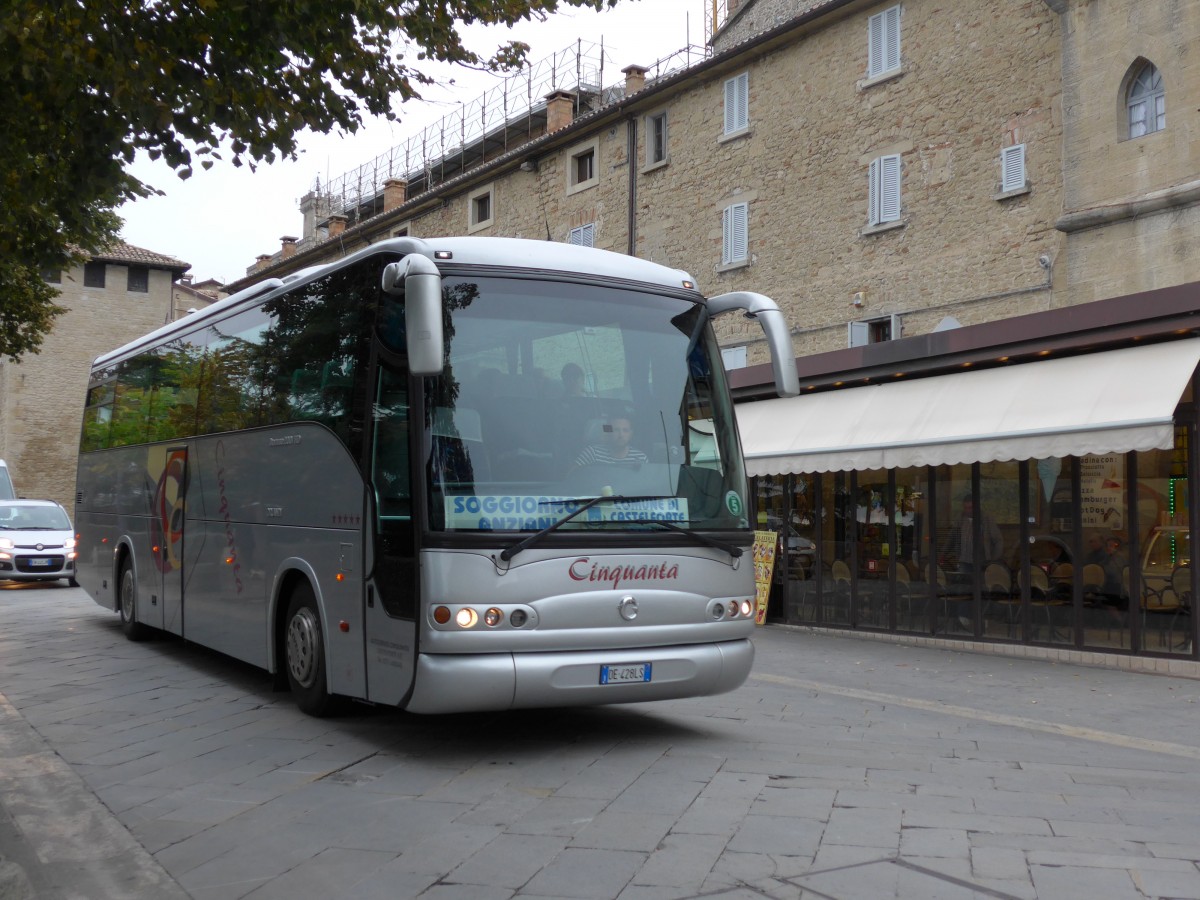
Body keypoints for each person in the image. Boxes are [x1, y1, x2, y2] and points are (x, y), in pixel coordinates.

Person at [573, 416, 647, 468]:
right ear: (608, 432)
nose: (621, 435)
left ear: (631, 434)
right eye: (616, 430)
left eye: (625, 430)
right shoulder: (592, 453)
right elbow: (571, 478)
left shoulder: (641, 458)